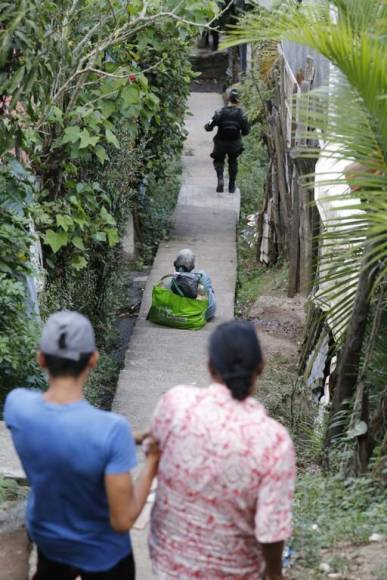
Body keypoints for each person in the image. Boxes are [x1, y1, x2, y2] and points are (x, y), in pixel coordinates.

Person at [4, 310, 159, 580]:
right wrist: (153, 462)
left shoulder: (17, 406)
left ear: (41, 358)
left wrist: (129, 437)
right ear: (94, 359)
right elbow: (122, 521)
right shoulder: (111, 429)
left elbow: (66, 428)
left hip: (50, 542)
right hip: (104, 555)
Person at [148, 320, 296, 579]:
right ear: (260, 367)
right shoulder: (273, 441)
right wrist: (275, 576)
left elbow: (155, 447)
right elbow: (271, 531)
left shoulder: (175, 405)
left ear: (209, 366)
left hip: (168, 568)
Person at [205, 88, 250, 193]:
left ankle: (220, 179)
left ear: (228, 98)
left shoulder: (219, 112)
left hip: (220, 143)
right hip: (235, 144)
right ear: (239, 100)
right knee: (233, 162)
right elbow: (246, 131)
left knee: (219, 160)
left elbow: (209, 126)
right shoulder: (242, 115)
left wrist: (208, 125)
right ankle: (231, 186)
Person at [166, 248, 216, 321]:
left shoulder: (169, 280)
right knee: (203, 277)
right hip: (201, 314)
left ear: (174, 264)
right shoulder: (201, 276)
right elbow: (202, 296)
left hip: (177, 314)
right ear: (192, 267)